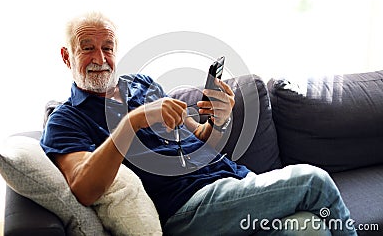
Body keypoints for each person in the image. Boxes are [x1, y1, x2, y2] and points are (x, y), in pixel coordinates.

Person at [40, 12, 357, 236]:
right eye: (87, 47)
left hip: (234, 185)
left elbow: (200, 135)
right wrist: (133, 122)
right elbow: (83, 187)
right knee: (313, 180)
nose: (100, 56)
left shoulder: (141, 84)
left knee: (307, 228)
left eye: (107, 47)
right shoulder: (66, 120)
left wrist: (219, 118)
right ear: (67, 57)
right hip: (186, 208)